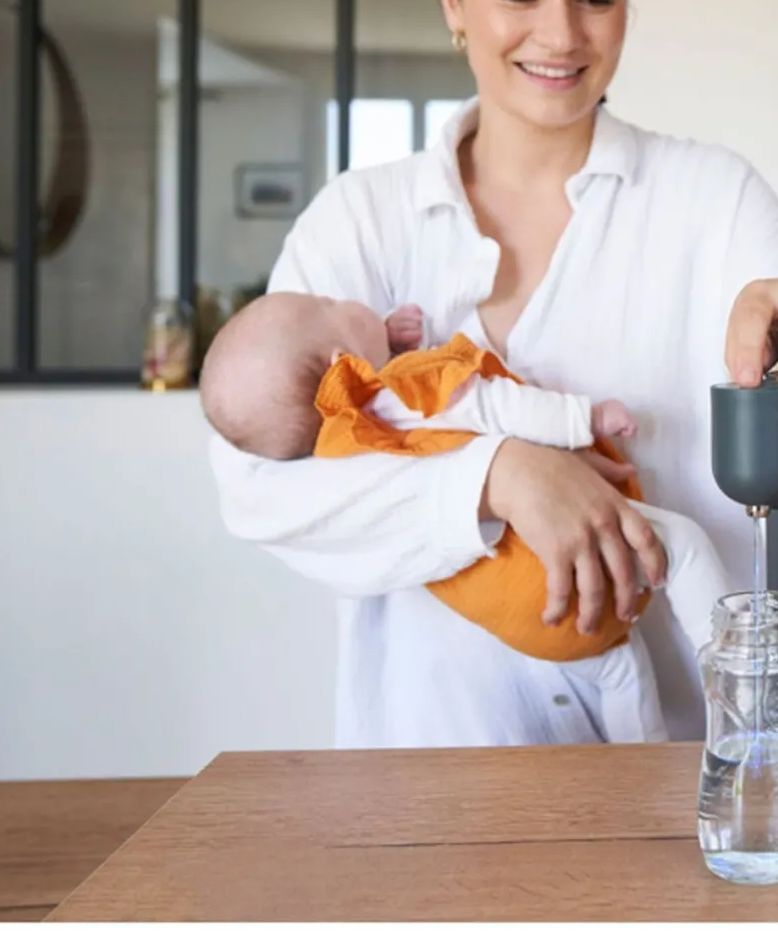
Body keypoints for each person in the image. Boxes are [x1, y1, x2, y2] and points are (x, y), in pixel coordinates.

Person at [209, 0, 778, 748]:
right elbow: (260, 489)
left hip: (675, 766)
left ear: (627, 9)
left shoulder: (715, 201)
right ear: (453, 2)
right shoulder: (359, 222)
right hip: (432, 762)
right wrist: (494, 476)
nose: (561, 35)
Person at [198, 289, 739, 743]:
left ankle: (643, 778)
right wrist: (585, 418)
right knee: (683, 546)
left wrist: (384, 337)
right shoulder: (409, 384)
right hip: (555, 570)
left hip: (534, 622)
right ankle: (742, 688)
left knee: (616, 665)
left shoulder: (346, 443)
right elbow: (490, 405)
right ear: (345, 360)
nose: (342, 296)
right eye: (328, 304)